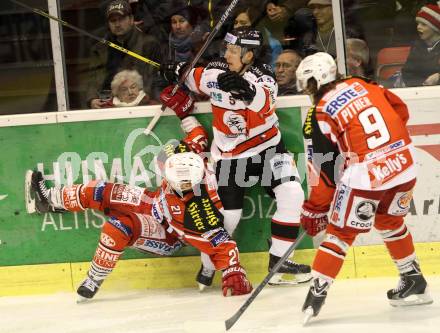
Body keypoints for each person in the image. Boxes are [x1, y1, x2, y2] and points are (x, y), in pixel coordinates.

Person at [25, 94, 252, 301]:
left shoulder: (198, 211)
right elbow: (198, 135)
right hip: (154, 202)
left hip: (168, 233)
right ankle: (51, 200)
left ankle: (94, 278)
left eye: (181, 184)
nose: (175, 183)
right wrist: (184, 111)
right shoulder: (187, 157)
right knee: (101, 190)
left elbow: (222, 244)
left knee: (118, 227)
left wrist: (233, 272)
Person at [160, 27, 311, 289]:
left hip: (268, 149)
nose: (226, 54)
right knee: (229, 216)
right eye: (226, 49)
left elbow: (265, 104)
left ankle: (279, 262)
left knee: (293, 194)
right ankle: (207, 267)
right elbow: (192, 77)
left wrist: (247, 91)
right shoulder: (214, 73)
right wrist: (175, 71)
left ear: (249, 55)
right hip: (230, 158)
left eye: (233, 50)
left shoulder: (264, 77)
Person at [295, 52, 433, 324]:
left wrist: (314, 211)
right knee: (389, 219)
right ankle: (413, 278)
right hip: (404, 164)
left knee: (340, 232)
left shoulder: (319, 114)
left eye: (308, 86)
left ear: (315, 82)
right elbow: (401, 111)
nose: (307, 92)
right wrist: (382, 150)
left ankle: (315, 296)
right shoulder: (365, 84)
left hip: (366, 175)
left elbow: (325, 174)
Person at [86, 0, 162, 109]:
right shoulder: (99, 48)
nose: (117, 24)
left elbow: (154, 77)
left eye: (121, 19)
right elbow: (92, 78)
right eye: (113, 21)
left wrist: (145, 95)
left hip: (140, 102)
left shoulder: (149, 44)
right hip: (109, 104)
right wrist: (92, 99)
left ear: (131, 20)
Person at [401, 3, 440, 87]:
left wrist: (439, 77)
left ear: (435, 28)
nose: (418, 27)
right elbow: (407, 73)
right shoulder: (417, 46)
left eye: (423, 24)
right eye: (418, 23)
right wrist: (423, 84)